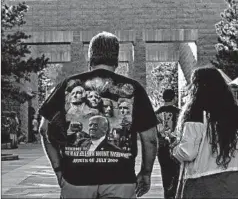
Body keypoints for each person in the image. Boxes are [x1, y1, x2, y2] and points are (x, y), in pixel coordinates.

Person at [39, 31, 157, 199]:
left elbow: (44, 130)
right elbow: (150, 138)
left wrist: (59, 171)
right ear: (116, 59)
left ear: (90, 57)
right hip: (120, 180)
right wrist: (146, 172)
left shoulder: (67, 86)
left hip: (76, 180)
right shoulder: (134, 88)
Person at [172, 66, 238, 198]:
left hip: (203, 181)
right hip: (233, 179)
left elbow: (188, 152)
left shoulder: (196, 113)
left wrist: (174, 149)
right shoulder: (234, 112)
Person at [155, 89, 180, 199]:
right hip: (176, 147)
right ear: (174, 98)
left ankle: (167, 196)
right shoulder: (180, 112)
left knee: (165, 175)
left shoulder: (156, 113)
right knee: (177, 175)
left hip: (162, 148)